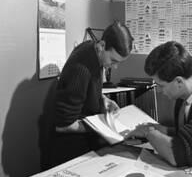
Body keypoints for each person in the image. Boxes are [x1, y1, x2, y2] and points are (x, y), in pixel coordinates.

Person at [51, 21, 134, 166]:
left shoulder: (92, 49)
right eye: (113, 60)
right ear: (102, 45)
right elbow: (63, 125)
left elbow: (85, 89)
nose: (114, 66)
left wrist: (103, 99)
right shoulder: (81, 68)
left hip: (87, 145)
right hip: (71, 152)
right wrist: (102, 125)